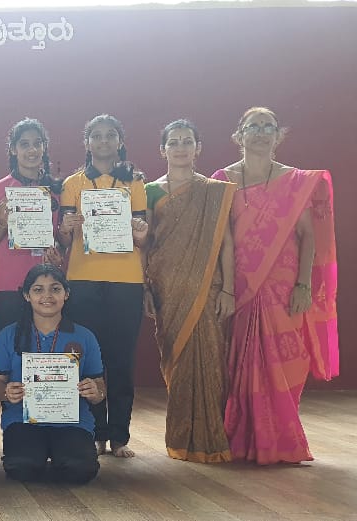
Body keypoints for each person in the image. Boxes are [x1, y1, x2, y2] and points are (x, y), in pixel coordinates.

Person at [212, 107, 338, 465]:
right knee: (239, 361)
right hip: (240, 286)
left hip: (283, 286)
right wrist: (225, 288)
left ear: (279, 136)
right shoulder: (222, 179)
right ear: (239, 135)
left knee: (286, 360)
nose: (261, 132)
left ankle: (280, 439)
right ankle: (242, 437)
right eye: (253, 126)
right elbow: (221, 237)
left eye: (269, 126)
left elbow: (307, 235)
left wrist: (303, 285)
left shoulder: (294, 181)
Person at [143, 119, 236, 463]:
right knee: (178, 363)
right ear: (162, 150)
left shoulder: (214, 192)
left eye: (187, 141)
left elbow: (226, 242)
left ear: (198, 148)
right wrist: (144, 288)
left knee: (210, 358)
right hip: (167, 289)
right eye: (174, 142)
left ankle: (212, 439)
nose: (180, 147)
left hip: (207, 288)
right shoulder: (150, 191)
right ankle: (182, 439)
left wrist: (229, 290)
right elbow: (145, 244)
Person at [57, 114, 150, 458]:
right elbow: (64, 240)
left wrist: (141, 232)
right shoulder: (73, 183)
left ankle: (120, 435)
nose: (104, 141)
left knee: (121, 360)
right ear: (87, 143)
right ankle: (95, 432)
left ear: (120, 142)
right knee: (87, 359)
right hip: (83, 278)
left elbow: (143, 236)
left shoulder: (134, 183)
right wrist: (66, 228)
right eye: (96, 135)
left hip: (127, 279)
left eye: (111, 135)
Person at [0, 264, 105, 484]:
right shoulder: (8, 335)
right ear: (26, 295)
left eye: (55, 289)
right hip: (22, 419)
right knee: (22, 468)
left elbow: (99, 385)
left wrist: (95, 391)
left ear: (66, 294)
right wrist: (5, 392)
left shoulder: (85, 336)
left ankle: (62, 455)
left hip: (72, 421)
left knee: (79, 471)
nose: (47, 296)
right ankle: (40, 456)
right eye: (38, 289)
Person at [0, 118, 64, 335]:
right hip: (8, 282)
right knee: (11, 346)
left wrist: (59, 255)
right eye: (24, 144)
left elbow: (61, 240)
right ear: (13, 149)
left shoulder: (57, 190)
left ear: (44, 148)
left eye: (37, 144)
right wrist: (1, 223)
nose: (32, 150)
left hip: (46, 283)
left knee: (46, 347)